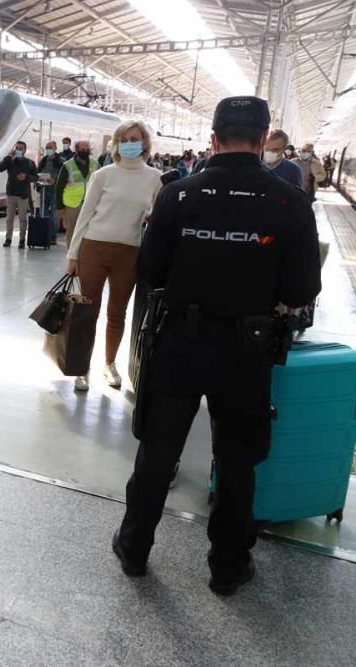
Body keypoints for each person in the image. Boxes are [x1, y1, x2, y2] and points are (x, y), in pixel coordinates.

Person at [113, 96, 322, 597]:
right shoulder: (289, 201)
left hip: (178, 346)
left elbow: (150, 272)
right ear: (264, 138)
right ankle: (227, 568)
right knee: (236, 461)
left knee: (157, 453)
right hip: (246, 354)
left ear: (213, 138)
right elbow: (302, 290)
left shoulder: (177, 195)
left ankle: (135, 549)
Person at [66, 121, 162, 393]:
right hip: (94, 247)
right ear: (117, 143)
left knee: (117, 313)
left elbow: (157, 217)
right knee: (88, 311)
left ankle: (109, 364)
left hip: (129, 252)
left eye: (135, 138)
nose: (130, 142)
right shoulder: (104, 175)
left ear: (144, 143)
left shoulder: (154, 178)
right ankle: (81, 368)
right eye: (124, 138)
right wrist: (73, 254)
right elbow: (85, 216)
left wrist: (151, 218)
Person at [55, 139, 100, 248]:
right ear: (76, 150)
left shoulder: (95, 164)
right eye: (82, 149)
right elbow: (59, 187)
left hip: (90, 203)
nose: (85, 151)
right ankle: (71, 254)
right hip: (72, 205)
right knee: (72, 231)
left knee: (88, 230)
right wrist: (60, 207)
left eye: (87, 149)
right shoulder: (67, 165)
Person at [0, 141, 39, 248]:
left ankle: (22, 240)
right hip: (11, 194)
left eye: (21, 148)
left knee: (22, 218)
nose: (19, 150)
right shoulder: (10, 161)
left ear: (25, 150)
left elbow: (36, 177)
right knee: (9, 218)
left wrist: (26, 177)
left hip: (23, 195)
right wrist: (8, 156)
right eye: (17, 148)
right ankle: (8, 239)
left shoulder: (30, 163)